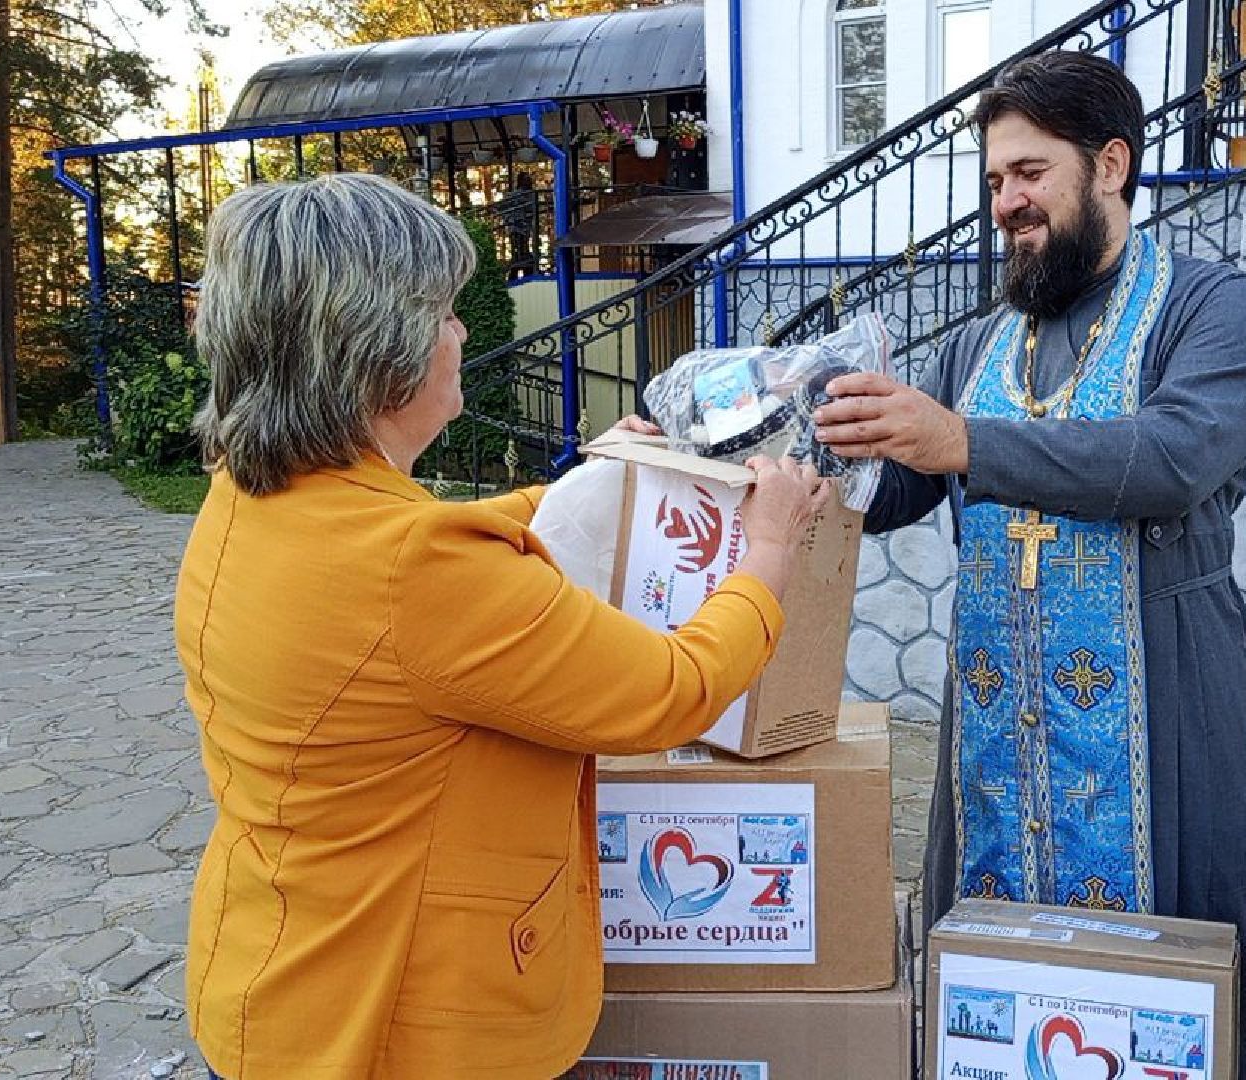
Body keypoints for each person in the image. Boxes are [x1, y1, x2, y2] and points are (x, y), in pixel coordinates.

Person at [176, 172, 828, 1079]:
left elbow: (436, 567)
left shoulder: (248, 501)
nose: (461, 332)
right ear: (377, 351)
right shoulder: (423, 570)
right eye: (442, 311)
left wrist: (600, 480)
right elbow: (669, 692)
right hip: (399, 1031)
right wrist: (767, 551)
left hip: (272, 983)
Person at [813, 52, 1246, 1078]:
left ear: (1111, 165)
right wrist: (766, 457)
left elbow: (1173, 458)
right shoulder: (979, 340)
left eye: (1028, 174)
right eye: (993, 182)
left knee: (1179, 1002)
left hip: (1167, 708)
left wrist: (965, 444)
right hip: (998, 729)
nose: (1006, 204)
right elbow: (893, 489)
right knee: (998, 997)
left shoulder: (1212, 308)